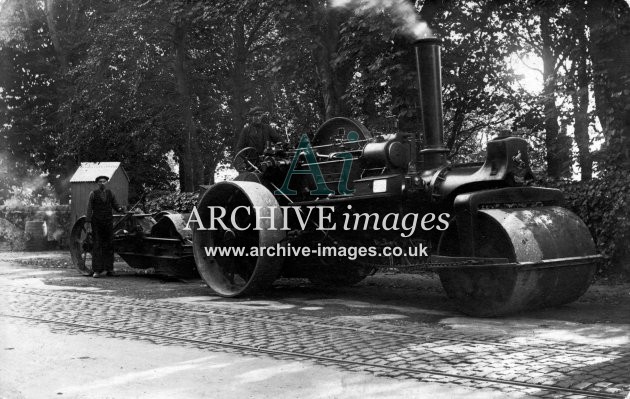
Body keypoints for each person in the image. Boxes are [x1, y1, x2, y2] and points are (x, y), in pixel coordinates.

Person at [85, 175, 124, 278]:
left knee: (109, 245)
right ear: (97, 183)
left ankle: (109, 269)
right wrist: (88, 223)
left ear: (107, 182)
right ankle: (97, 271)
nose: (102, 183)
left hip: (108, 223)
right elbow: (89, 209)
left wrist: (120, 209)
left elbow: (116, 205)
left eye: (104, 181)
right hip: (97, 223)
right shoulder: (93, 194)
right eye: (100, 182)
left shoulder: (110, 193)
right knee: (97, 245)